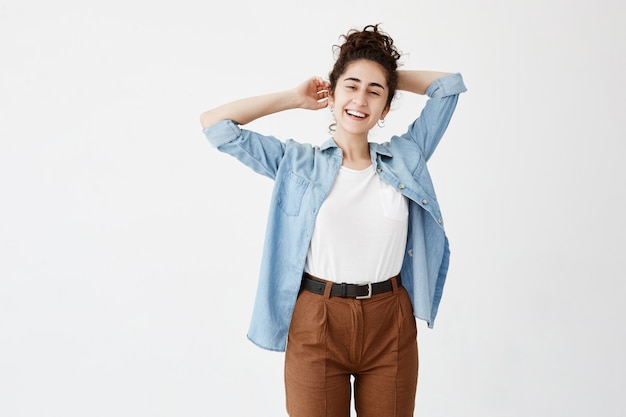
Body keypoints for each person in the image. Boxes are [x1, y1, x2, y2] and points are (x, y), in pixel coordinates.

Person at [200, 24, 466, 417]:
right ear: (333, 91)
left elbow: (448, 87)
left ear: (386, 107)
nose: (360, 99)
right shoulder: (295, 163)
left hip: (389, 320)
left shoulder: (406, 157)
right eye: (351, 85)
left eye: (374, 92)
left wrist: (386, 73)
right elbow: (215, 126)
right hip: (316, 320)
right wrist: (293, 98)